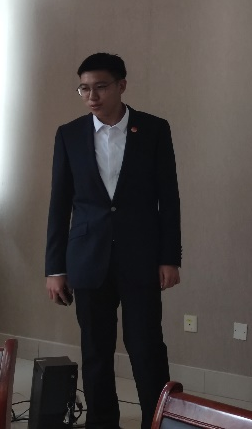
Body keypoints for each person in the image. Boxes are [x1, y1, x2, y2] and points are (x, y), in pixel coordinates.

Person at [45, 53, 182, 429]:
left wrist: (170, 257)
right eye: (84, 88)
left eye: (100, 87)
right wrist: (55, 269)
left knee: (146, 347)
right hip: (87, 258)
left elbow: (168, 198)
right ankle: (102, 423)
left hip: (140, 257)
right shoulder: (69, 134)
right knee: (96, 351)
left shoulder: (153, 130)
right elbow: (59, 205)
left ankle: (158, 422)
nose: (92, 96)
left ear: (122, 85)